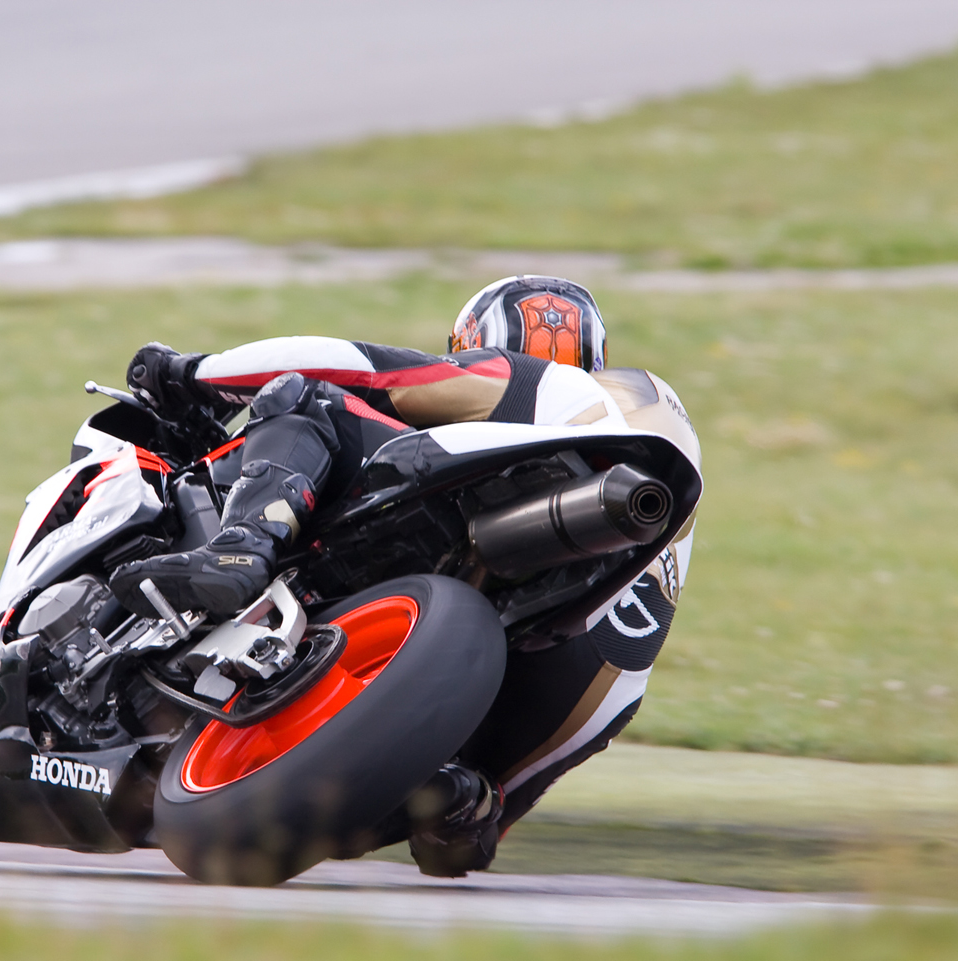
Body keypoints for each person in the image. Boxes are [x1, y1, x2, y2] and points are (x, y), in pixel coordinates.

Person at [110, 275, 702, 877]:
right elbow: (451, 860)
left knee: (302, 395)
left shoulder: (535, 380)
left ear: (477, 338)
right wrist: (476, 815)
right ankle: (460, 798)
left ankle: (241, 547)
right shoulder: (640, 422)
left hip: (544, 541)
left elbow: (352, 365)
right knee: (464, 822)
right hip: (603, 678)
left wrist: (189, 374)